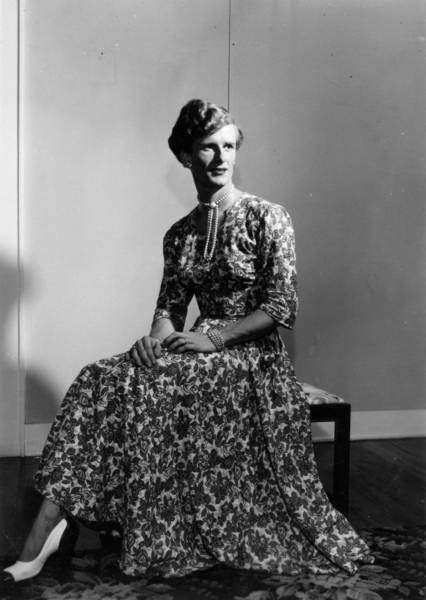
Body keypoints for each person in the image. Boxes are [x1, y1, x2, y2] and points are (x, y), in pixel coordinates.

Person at [1, 99, 372, 584]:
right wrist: (153, 343)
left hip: (252, 359)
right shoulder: (179, 235)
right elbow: (170, 311)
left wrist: (214, 340)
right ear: (184, 156)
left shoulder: (268, 216)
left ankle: (62, 530)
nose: (220, 157)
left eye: (229, 146)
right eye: (207, 148)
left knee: (139, 388)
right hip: (198, 349)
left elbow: (281, 308)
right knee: (102, 375)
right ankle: (49, 527)